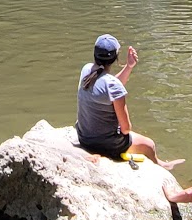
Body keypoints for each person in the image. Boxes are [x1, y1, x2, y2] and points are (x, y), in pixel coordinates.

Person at [75, 35, 180, 169]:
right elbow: (126, 129)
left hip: (84, 138)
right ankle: (161, 166)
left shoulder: (87, 70)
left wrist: (129, 67)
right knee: (149, 145)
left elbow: (109, 87)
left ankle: (160, 164)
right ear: (116, 58)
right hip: (105, 145)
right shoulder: (112, 85)